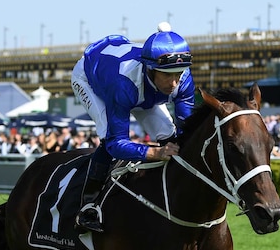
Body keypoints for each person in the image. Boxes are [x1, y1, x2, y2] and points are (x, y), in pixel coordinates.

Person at [70, 22, 195, 232]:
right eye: (167, 75)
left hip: (139, 85)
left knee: (171, 135)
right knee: (107, 136)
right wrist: (154, 152)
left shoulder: (183, 79)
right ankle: (88, 207)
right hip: (90, 78)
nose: (174, 83)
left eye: (179, 73)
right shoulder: (124, 85)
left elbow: (188, 130)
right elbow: (116, 143)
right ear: (150, 69)